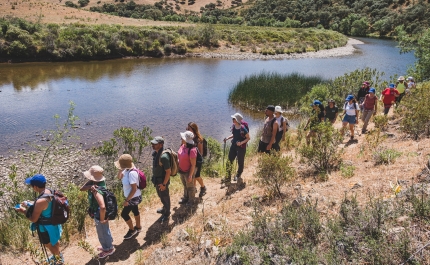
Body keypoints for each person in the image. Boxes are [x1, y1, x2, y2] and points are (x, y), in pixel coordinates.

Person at [15, 174, 64, 265]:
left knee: (48, 244)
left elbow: (33, 219)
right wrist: (30, 203)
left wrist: (23, 211)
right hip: (54, 223)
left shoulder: (40, 201)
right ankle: (58, 255)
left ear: (36, 187)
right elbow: (44, 205)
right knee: (55, 241)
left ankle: (58, 260)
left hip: (46, 228)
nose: (32, 187)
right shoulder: (49, 191)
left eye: (32, 185)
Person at [80, 166, 115, 259]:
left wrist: (102, 219)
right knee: (105, 229)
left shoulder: (97, 190)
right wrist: (90, 185)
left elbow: (102, 206)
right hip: (100, 212)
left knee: (102, 231)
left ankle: (108, 249)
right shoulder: (95, 183)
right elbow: (82, 188)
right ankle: (107, 244)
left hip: (100, 213)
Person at [114, 154, 142, 240]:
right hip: (131, 197)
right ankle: (138, 227)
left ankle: (132, 230)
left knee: (124, 214)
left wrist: (127, 200)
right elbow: (119, 177)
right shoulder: (126, 170)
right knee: (135, 210)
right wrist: (120, 169)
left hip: (133, 197)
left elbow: (134, 189)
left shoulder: (132, 173)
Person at [223, 113, 250, 184]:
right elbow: (234, 134)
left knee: (240, 162)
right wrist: (228, 138)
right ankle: (228, 176)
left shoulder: (243, 128)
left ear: (237, 120)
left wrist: (241, 143)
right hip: (234, 146)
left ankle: (238, 175)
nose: (232, 120)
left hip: (241, 148)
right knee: (229, 161)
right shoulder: (234, 126)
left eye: (234, 119)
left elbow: (248, 138)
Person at [151, 136, 172, 223]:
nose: (153, 145)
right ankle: (164, 208)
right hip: (158, 180)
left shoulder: (163, 157)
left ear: (161, 145)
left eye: (155, 144)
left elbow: (168, 172)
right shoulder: (156, 154)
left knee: (165, 197)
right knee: (161, 196)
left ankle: (167, 213)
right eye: (152, 143)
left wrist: (164, 184)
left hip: (162, 181)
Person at [187, 122, 206, 198]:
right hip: (191, 160)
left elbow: (200, 153)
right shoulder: (189, 138)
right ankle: (194, 188)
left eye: (189, 129)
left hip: (197, 161)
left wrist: (195, 162)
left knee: (197, 176)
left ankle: (203, 187)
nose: (187, 130)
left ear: (193, 129)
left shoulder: (199, 139)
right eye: (187, 128)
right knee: (193, 175)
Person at [178, 131, 197, 205]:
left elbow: (193, 165)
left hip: (188, 172)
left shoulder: (192, 150)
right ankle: (185, 198)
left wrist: (190, 175)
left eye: (182, 138)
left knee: (190, 187)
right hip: (182, 170)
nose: (181, 138)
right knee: (185, 185)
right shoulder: (183, 145)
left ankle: (191, 200)